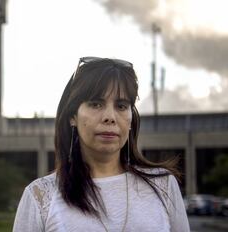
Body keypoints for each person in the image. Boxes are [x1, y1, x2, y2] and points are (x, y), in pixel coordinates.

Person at [12, 57, 190, 232]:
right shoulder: (41, 196)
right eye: (96, 104)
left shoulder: (163, 185)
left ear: (130, 120)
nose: (110, 117)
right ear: (72, 116)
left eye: (121, 106)